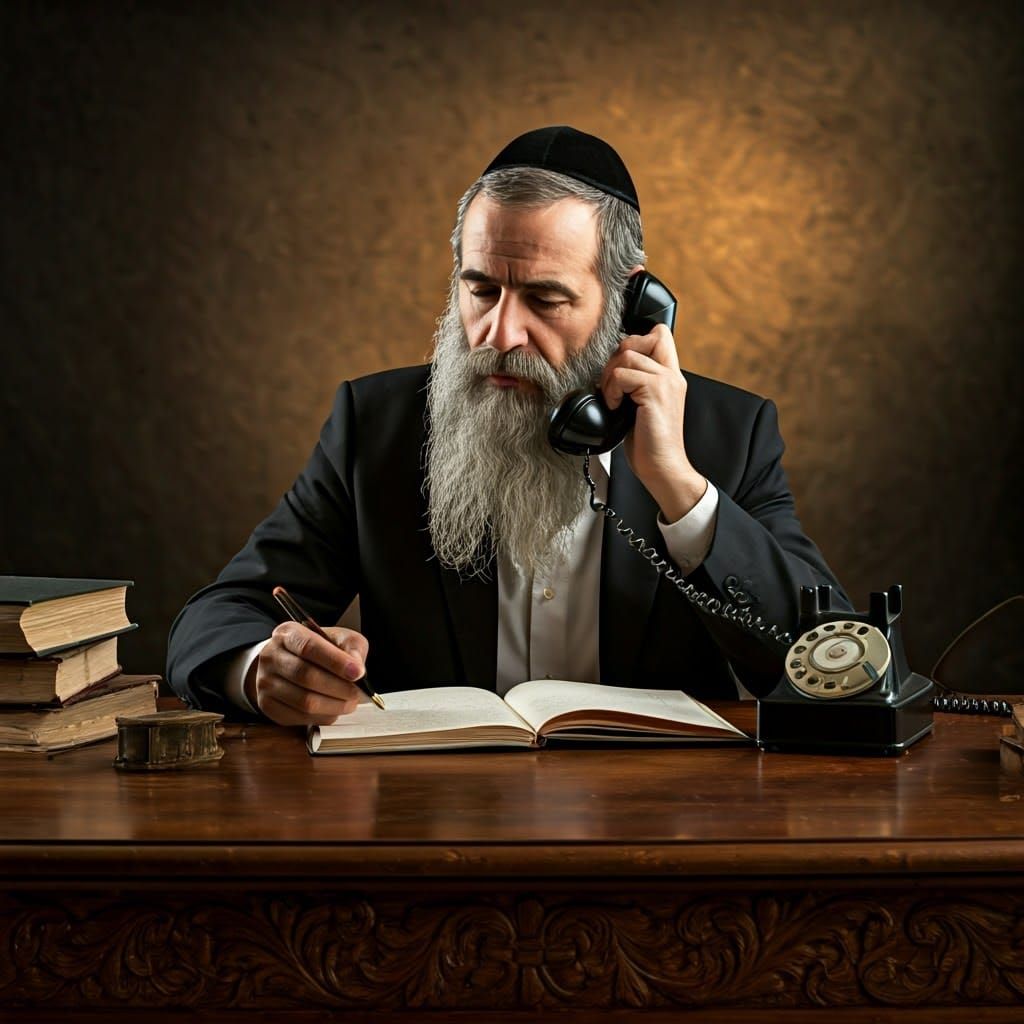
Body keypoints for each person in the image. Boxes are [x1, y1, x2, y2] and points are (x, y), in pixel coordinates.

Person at [167, 125, 848, 726]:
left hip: (653, 816)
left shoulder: (730, 433)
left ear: (628, 301)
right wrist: (261, 669)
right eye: (482, 290)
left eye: (545, 298)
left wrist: (680, 490)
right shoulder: (375, 425)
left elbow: (840, 675)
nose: (499, 333)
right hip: (434, 817)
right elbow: (217, 616)